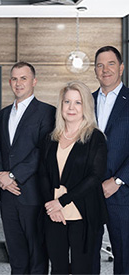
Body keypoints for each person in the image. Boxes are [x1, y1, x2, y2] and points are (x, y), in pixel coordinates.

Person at [0, 61, 55, 274]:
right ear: (10, 82)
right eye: (15, 79)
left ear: (34, 81)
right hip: (7, 196)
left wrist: (13, 175)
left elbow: (42, 150)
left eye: (24, 78)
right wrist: (1, 177)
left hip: (32, 194)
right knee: (16, 255)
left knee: (37, 254)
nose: (18, 83)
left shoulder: (47, 112)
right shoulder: (2, 114)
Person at [39, 81, 107, 274]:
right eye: (67, 102)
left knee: (81, 269)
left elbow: (95, 177)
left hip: (83, 214)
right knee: (58, 268)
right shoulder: (51, 138)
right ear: (61, 105)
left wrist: (62, 201)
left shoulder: (95, 137)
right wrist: (51, 205)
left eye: (78, 102)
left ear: (86, 106)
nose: (71, 107)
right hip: (54, 214)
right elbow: (43, 173)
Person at [92, 46, 129, 274]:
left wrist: (117, 181)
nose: (105, 70)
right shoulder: (86, 101)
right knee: (86, 253)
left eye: (111, 64)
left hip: (122, 193)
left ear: (121, 68)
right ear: (95, 71)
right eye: (100, 65)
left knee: (124, 257)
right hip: (88, 192)